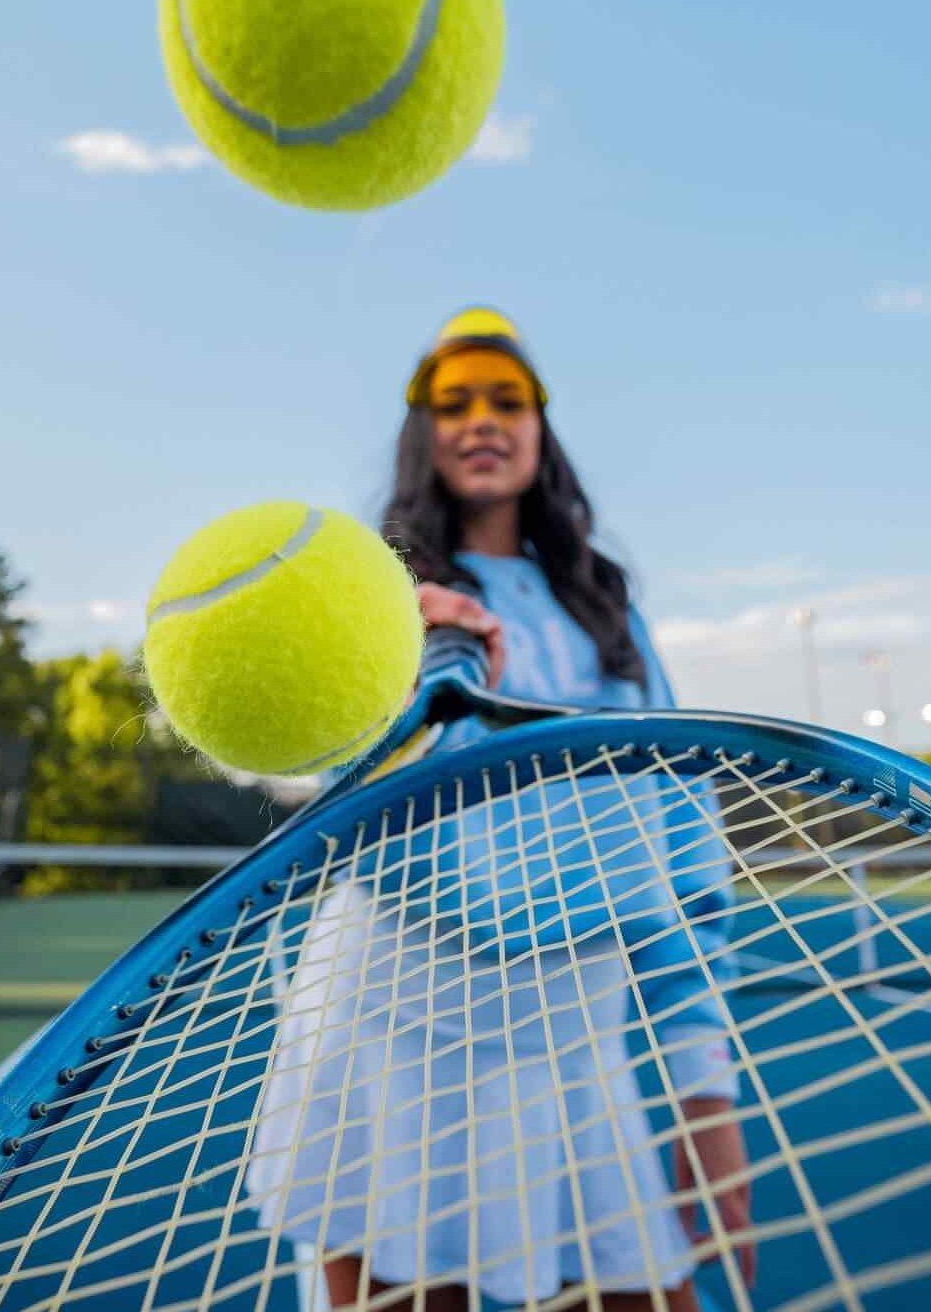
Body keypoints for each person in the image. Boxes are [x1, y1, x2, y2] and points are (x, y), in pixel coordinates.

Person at [247, 309, 753, 1312]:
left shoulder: (609, 612)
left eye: (507, 400)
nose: (482, 420)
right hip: (393, 1017)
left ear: (541, 431)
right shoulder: (375, 594)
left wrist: (705, 1091)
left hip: (569, 1023)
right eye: (455, 402)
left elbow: (681, 845)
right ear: (421, 433)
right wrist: (389, 670)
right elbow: (309, 781)